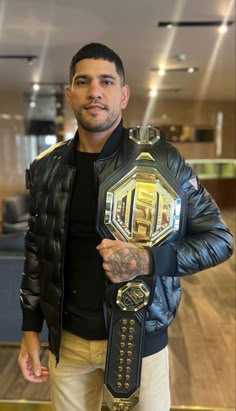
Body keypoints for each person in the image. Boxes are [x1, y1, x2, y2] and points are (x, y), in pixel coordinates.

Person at [18, 43, 233, 411]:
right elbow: (38, 249)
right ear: (70, 95)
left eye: (106, 81)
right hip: (65, 344)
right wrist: (29, 329)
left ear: (124, 94)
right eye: (83, 82)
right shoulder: (47, 167)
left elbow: (220, 239)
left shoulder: (161, 160)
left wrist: (148, 260)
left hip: (139, 341)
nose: (95, 91)